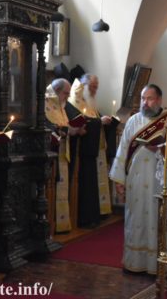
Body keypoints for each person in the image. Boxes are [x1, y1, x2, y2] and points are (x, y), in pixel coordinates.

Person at [110, 84, 167, 274]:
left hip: (160, 180)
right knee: (135, 219)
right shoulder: (133, 121)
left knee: (158, 220)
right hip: (136, 180)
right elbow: (123, 150)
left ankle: (157, 266)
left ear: (159, 100)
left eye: (149, 98)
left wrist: (160, 148)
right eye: (143, 98)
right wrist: (119, 180)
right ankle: (134, 263)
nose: (145, 102)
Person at [68, 73, 112, 228]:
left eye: (96, 87)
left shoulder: (90, 102)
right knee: (85, 186)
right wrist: (100, 122)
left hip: (92, 152)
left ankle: (94, 216)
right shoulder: (76, 101)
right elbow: (83, 122)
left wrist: (106, 121)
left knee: (92, 185)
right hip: (82, 153)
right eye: (92, 87)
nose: (94, 90)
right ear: (84, 85)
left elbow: (92, 119)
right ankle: (85, 219)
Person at [45, 78, 85, 233]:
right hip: (51, 156)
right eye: (66, 93)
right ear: (56, 91)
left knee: (61, 188)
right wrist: (67, 130)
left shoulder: (60, 105)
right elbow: (48, 127)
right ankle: (50, 226)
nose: (68, 97)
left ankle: (60, 225)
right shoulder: (45, 104)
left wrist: (71, 130)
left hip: (63, 154)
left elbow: (64, 126)